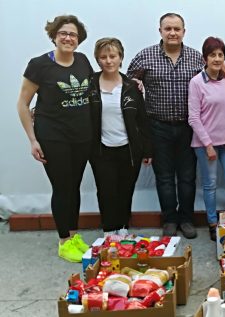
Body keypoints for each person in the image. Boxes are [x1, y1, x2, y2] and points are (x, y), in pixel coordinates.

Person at [16, 15, 92, 262]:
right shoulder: (39, 65)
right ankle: (63, 241)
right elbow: (23, 103)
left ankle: (74, 235)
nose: (68, 38)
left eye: (73, 34)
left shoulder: (82, 61)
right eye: (63, 33)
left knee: (74, 187)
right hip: (53, 137)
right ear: (54, 36)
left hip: (81, 136)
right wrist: (32, 139)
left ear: (79, 40)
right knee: (62, 187)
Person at [127, 13, 205, 238]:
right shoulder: (146, 56)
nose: (172, 33)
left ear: (184, 31)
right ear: (160, 31)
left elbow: (211, 80)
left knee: (188, 176)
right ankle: (170, 219)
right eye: (168, 28)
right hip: (157, 127)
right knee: (164, 176)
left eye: (177, 29)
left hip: (188, 127)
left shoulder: (195, 57)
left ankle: (187, 219)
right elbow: (127, 83)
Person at [88, 38, 152, 236]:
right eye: (103, 57)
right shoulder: (90, 85)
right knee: (106, 191)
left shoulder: (131, 87)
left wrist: (147, 149)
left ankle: (123, 228)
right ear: (98, 60)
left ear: (120, 58)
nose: (108, 61)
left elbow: (142, 120)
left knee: (125, 190)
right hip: (101, 150)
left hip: (128, 149)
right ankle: (109, 230)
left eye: (112, 56)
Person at [188, 37, 225, 241]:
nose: (217, 59)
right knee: (209, 185)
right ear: (205, 58)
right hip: (205, 144)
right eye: (213, 55)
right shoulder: (196, 82)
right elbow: (193, 117)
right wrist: (208, 144)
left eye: (220, 55)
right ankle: (212, 222)